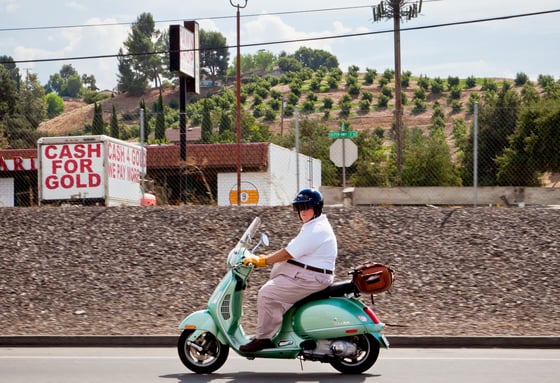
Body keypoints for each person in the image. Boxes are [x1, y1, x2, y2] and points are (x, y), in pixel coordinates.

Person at [240, 188, 337, 353]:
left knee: (267, 293)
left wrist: (262, 261)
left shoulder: (316, 230)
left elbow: (287, 253)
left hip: (311, 278)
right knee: (275, 285)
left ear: (317, 208)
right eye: (300, 208)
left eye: (306, 207)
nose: (303, 212)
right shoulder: (314, 225)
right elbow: (292, 250)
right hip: (310, 275)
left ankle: (263, 339)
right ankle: (278, 332)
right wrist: (265, 257)